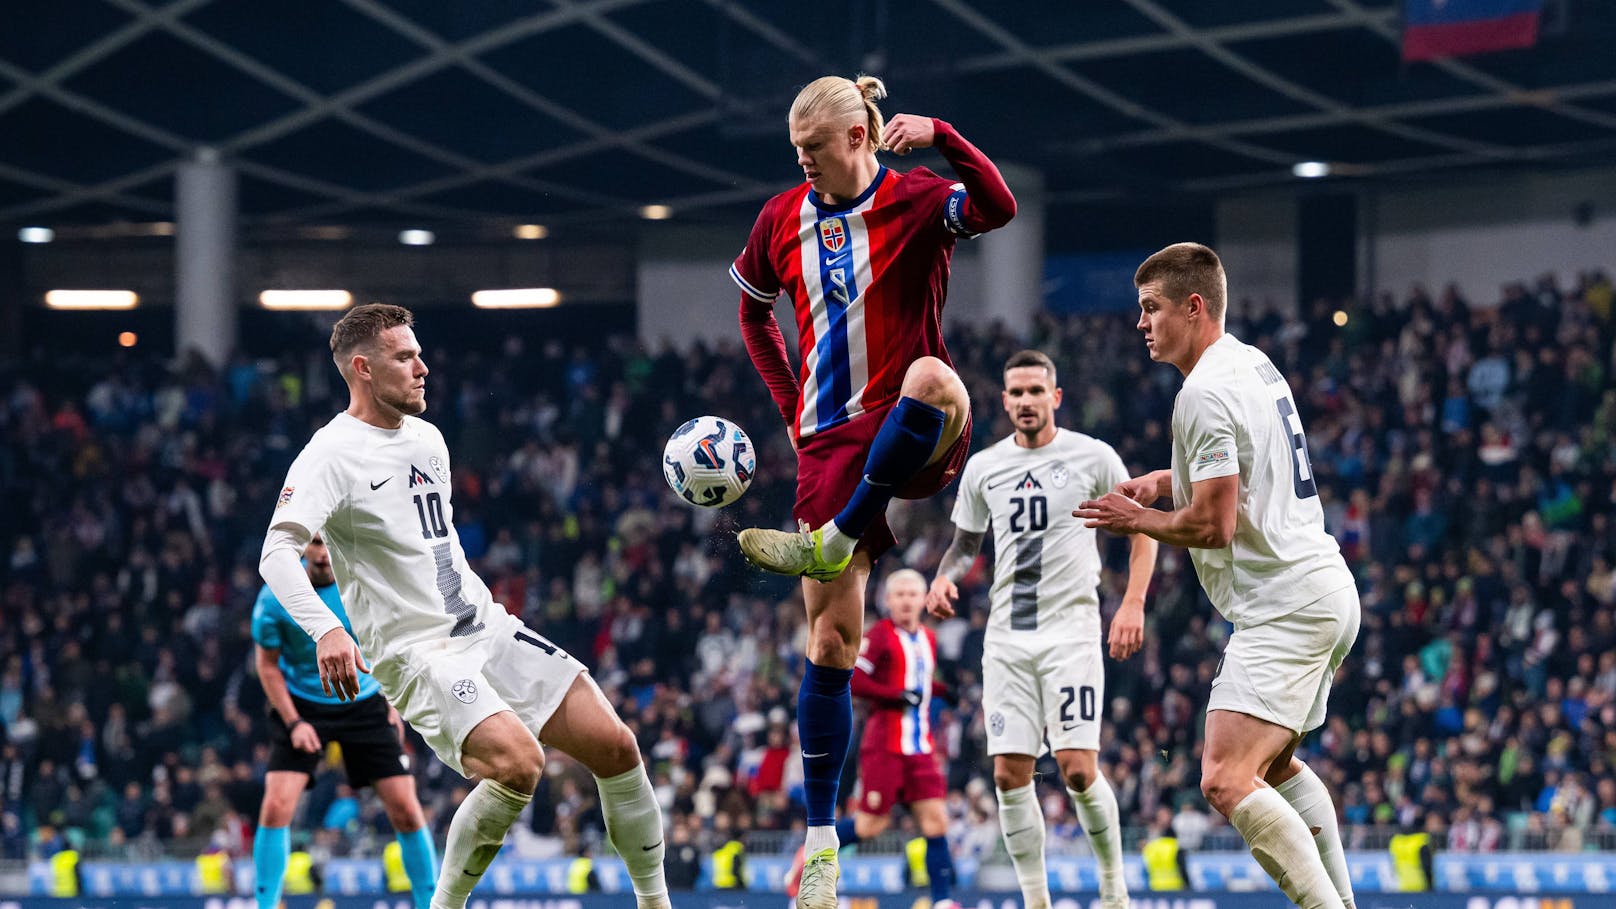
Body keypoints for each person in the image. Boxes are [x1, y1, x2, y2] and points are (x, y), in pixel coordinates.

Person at [258, 304, 668, 909]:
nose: (423, 367)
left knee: (617, 747)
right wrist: (324, 630)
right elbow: (276, 552)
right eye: (406, 357)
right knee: (519, 766)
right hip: (419, 654)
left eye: (420, 353)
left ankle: (656, 904)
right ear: (364, 369)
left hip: (486, 628)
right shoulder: (332, 453)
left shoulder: (428, 438)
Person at [729, 73, 1016, 909]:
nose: (802, 164)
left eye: (812, 150)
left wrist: (945, 133)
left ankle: (845, 528)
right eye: (794, 153)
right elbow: (751, 311)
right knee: (828, 648)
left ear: (857, 137)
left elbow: (997, 206)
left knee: (935, 377)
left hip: (915, 424)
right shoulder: (780, 219)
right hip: (825, 443)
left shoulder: (921, 200)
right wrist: (788, 408)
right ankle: (821, 847)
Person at [1076, 243, 1360, 909]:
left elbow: (1213, 526)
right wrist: (1161, 481)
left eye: (1152, 308)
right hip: (1321, 589)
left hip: (1283, 604)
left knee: (1225, 779)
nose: (1141, 323)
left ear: (1194, 306)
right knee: (1274, 767)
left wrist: (1135, 520)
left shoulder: (1201, 393)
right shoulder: (1251, 364)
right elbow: (1246, 472)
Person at [928, 350, 1156, 909]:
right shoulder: (984, 467)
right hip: (1006, 639)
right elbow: (964, 545)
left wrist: (1132, 603)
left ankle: (1113, 889)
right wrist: (942, 578)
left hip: (1071, 634)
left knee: (1078, 770)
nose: (1026, 402)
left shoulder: (1093, 456)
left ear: (1055, 397)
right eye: (1017, 393)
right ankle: (1037, 901)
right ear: (1004, 401)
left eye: (1036, 391)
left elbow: (1143, 529)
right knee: (1009, 775)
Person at [251, 532, 436, 909]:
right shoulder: (276, 595)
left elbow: (388, 646)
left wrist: (391, 702)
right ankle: (265, 905)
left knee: (405, 807)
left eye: (329, 543)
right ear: (303, 547)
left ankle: (431, 904)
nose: (323, 554)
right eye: (315, 543)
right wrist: (293, 723)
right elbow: (267, 667)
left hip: (363, 699)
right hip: (303, 705)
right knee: (275, 806)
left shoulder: (364, 585)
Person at [824, 569, 956, 909]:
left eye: (913, 594)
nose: (907, 601)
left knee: (936, 820)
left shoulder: (929, 637)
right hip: (885, 746)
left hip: (921, 747)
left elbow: (918, 683)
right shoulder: (879, 636)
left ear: (924, 599)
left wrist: (944, 690)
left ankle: (942, 901)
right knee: (870, 825)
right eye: (900, 595)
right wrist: (895, 696)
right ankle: (811, 852)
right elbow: (854, 681)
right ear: (888, 601)